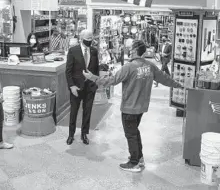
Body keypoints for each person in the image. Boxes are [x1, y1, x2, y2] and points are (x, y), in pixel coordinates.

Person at [83, 40, 183, 172]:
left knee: (130, 134)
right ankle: (139, 157)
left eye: (131, 49)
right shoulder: (150, 66)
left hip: (129, 107)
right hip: (141, 107)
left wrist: (93, 77)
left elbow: (111, 81)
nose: (129, 51)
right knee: (134, 132)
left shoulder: (129, 67)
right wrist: (179, 85)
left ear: (135, 50)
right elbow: (164, 78)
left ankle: (134, 162)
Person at [65, 29, 99, 145]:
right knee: (74, 112)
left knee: (87, 111)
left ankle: (84, 134)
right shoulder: (73, 51)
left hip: (90, 88)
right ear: (81, 38)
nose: (90, 41)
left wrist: (95, 82)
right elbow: (68, 71)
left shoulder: (94, 51)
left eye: (91, 39)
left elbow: (96, 69)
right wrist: (71, 86)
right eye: (87, 39)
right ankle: (71, 134)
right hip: (76, 88)